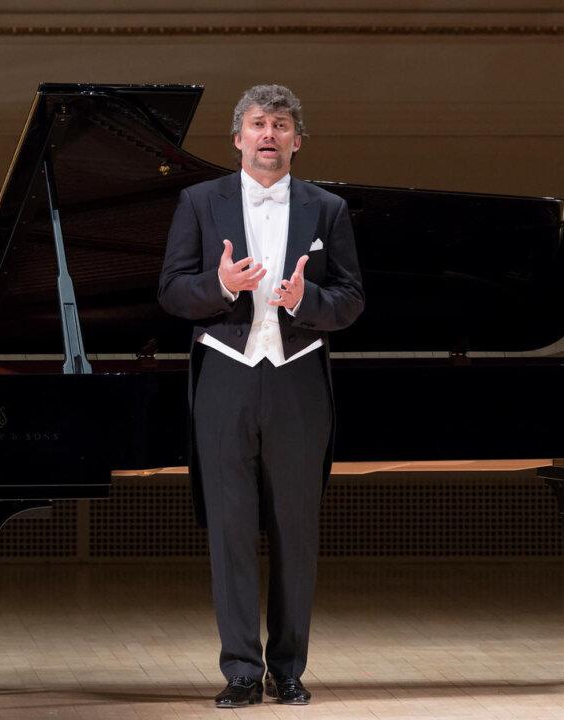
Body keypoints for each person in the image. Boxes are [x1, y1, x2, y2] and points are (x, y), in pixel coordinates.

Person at [159, 85, 364, 707]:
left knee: (295, 531)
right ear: (238, 137)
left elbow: (351, 298)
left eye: (280, 124)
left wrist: (306, 301)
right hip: (225, 375)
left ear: (297, 140)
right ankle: (242, 671)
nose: (268, 134)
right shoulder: (199, 201)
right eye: (257, 124)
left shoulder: (327, 209)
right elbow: (171, 289)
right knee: (230, 530)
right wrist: (219, 287)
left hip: (299, 378)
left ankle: (290, 668)